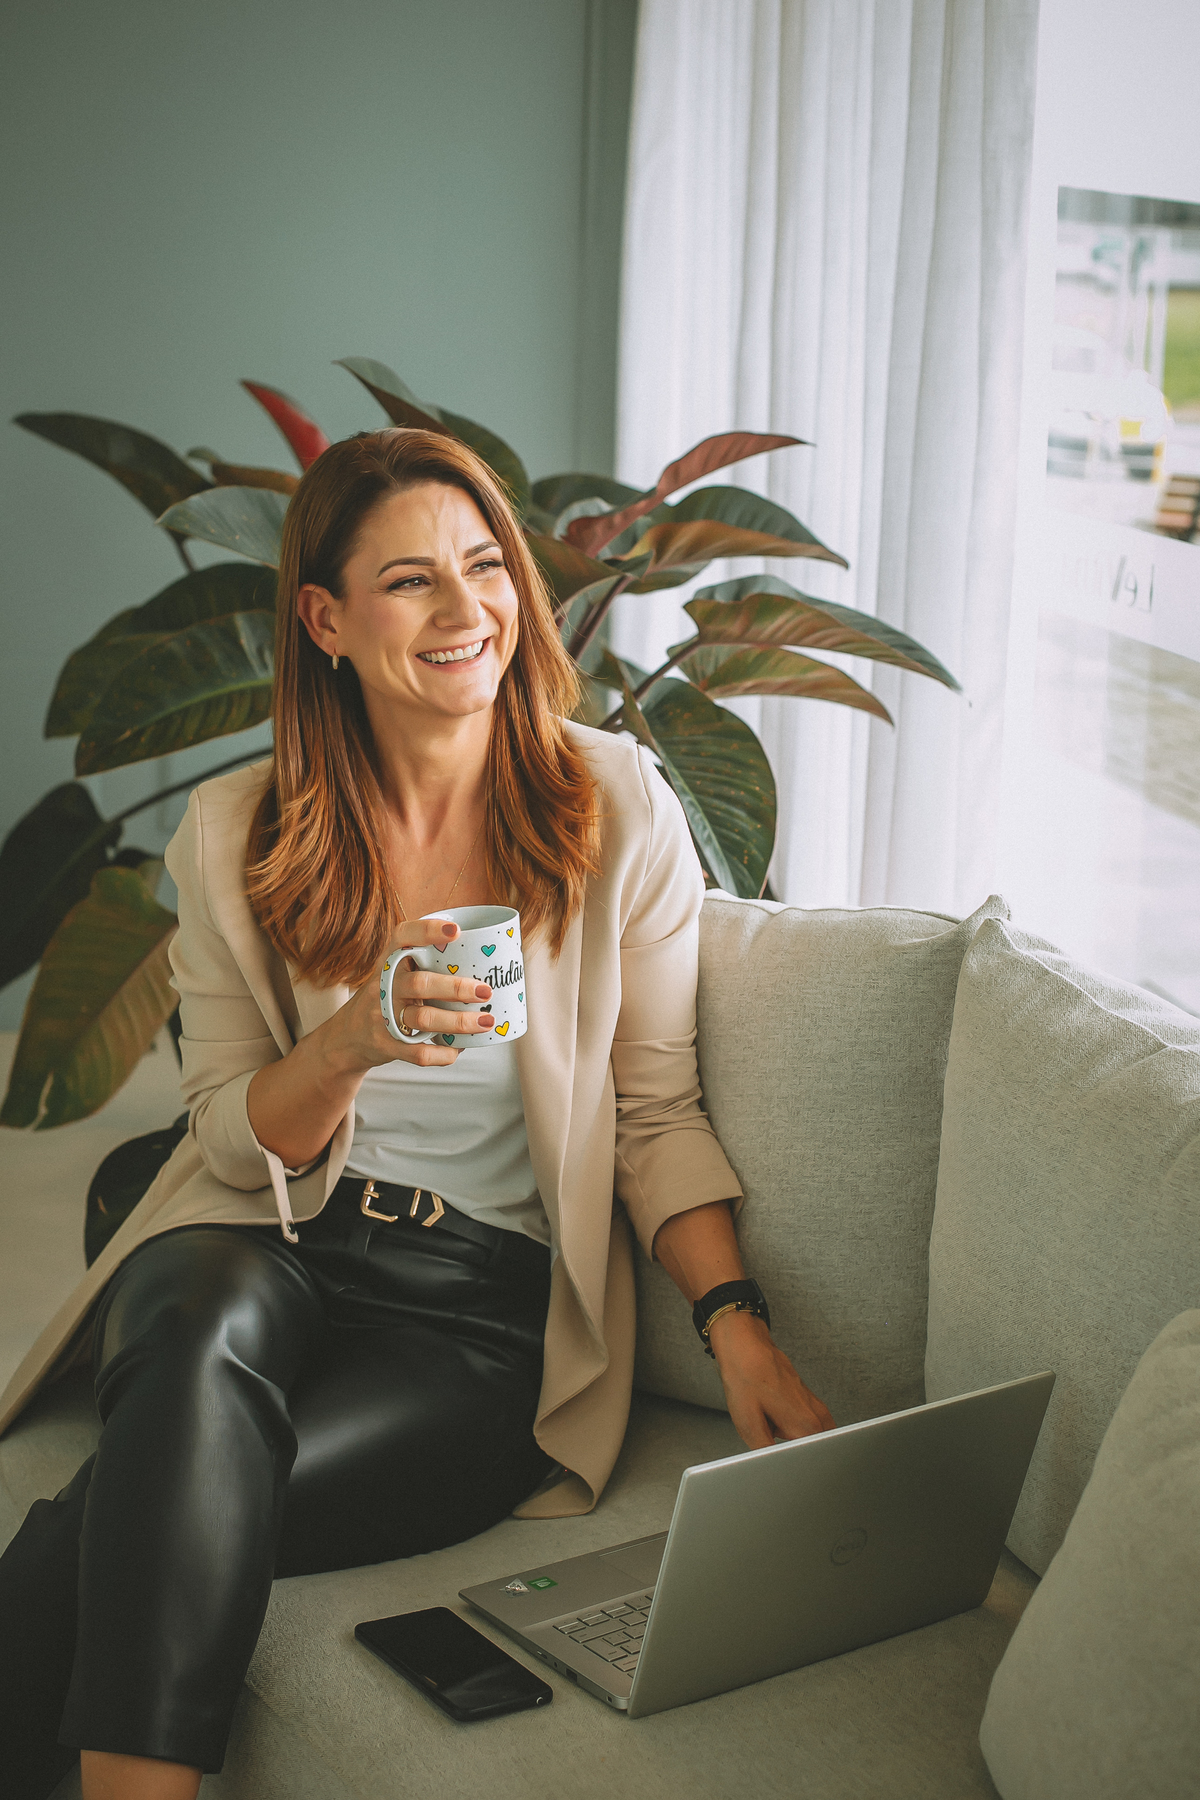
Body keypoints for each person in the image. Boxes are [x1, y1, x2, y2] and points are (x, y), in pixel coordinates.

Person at [0, 429, 834, 1800]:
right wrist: (350, 1044)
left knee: (124, 1517)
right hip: (264, 1237)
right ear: (325, 620)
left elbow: (655, 1110)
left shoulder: (615, 805)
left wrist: (733, 1321)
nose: (467, 613)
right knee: (201, 1311)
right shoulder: (235, 829)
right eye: (409, 583)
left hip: (471, 1313)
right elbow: (222, 1137)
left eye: (486, 564)